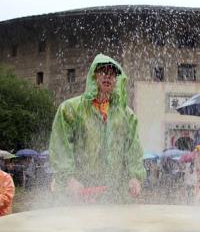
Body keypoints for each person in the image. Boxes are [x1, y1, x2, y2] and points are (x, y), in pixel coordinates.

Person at [49, 53, 145, 202]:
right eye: (103, 71)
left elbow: (134, 149)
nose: (108, 76)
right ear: (93, 76)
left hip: (114, 195)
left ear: (117, 80)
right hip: (79, 192)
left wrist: (135, 177)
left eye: (112, 74)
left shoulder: (127, 115)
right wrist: (69, 179)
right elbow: (61, 147)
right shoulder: (70, 109)